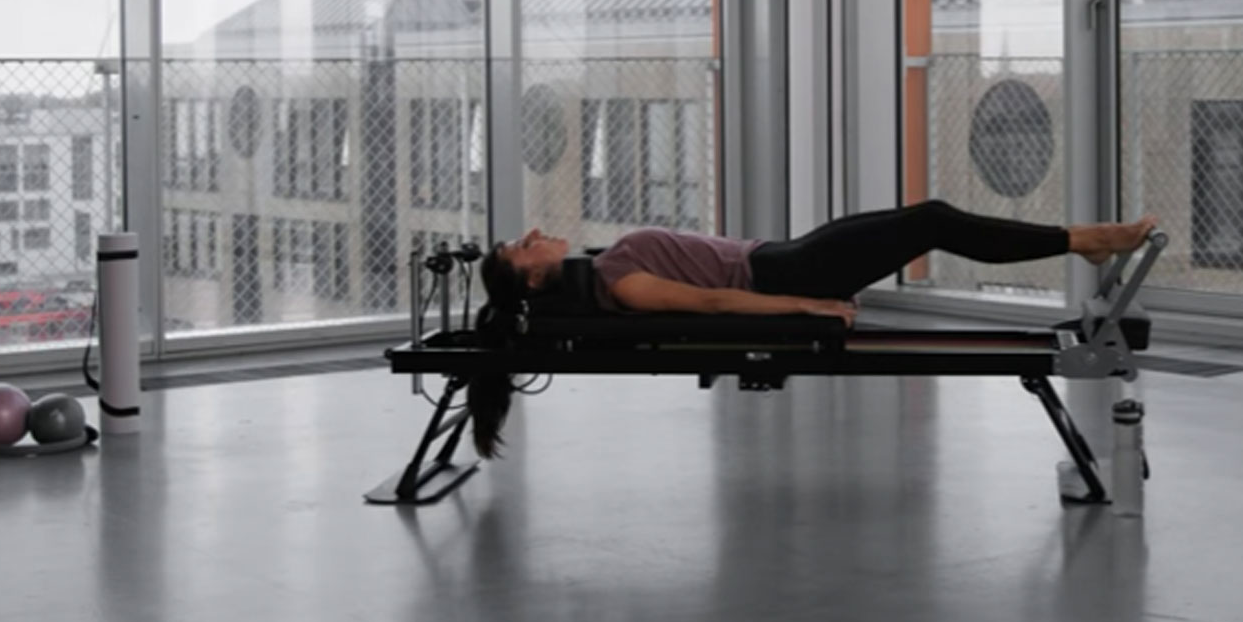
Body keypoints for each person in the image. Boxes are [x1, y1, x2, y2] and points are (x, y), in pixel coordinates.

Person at [461, 200, 1158, 458]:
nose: (531, 234)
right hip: (791, 273)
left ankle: (1084, 240)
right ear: (529, 279)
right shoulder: (621, 280)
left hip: (788, 255)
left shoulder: (606, 265)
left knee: (927, 216)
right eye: (519, 247)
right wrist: (803, 307)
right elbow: (713, 307)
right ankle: (1087, 240)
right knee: (935, 220)